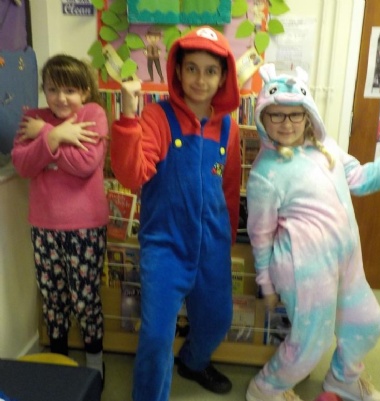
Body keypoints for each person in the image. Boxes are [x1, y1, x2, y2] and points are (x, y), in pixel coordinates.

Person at [245, 63, 380, 401]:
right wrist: (266, 283)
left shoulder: (326, 148)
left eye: (295, 114)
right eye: (276, 115)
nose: (287, 123)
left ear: (308, 114)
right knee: (311, 342)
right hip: (303, 268)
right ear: (263, 118)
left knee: (368, 323)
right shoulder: (265, 174)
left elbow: (360, 179)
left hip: (345, 260)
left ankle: (343, 380)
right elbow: (260, 234)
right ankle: (266, 389)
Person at [110, 26, 241, 401]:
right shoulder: (157, 117)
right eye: (192, 69)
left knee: (218, 319)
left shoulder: (228, 128)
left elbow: (229, 186)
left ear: (223, 78)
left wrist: (227, 238)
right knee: (155, 337)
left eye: (210, 71)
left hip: (212, 246)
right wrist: (128, 117)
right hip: (165, 244)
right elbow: (132, 174)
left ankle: (193, 362)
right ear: (178, 72)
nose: (201, 79)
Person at [11, 54, 109, 382]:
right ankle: (58, 363)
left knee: (85, 298)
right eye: (53, 89)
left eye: (70, 90)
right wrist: (56, 136)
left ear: (84, 91)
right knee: (52, 298)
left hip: (85, 227)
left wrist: (46, 134)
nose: (61, 98)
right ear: (44, 90)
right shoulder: (32, 118)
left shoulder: (93, 114)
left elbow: (85, 164)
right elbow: (23, 165)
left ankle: (94, 365)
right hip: (44, 227)